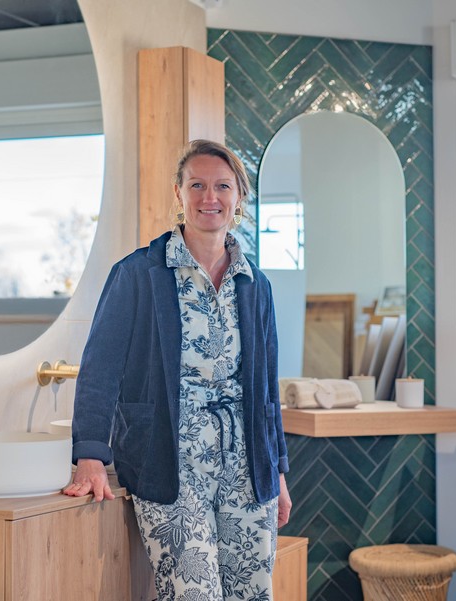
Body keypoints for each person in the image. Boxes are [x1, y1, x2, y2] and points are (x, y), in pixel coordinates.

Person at [63, 139, 291, 600]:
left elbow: (266, 389)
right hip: (169, 465)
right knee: (193, 594)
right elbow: (100, 369)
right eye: (197, 185)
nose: (210, 197)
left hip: (247, 470)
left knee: (252, 594)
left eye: (222, 186)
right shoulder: (137, 274)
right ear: (178, 193)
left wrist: (278, 472)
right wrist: (90, 455)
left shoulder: (256, 284)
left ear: (238, 197)